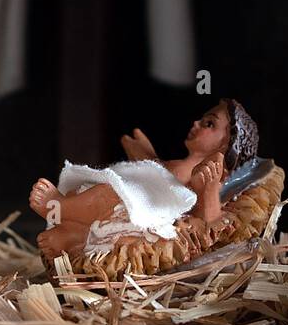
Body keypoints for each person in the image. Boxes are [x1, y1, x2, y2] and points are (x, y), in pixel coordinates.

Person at [30, 98, 265, 267]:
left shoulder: (207, 175)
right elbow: (159, 176)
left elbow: (206, 224)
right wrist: (146, 155)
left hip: (150, 212)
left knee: (110, 194)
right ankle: (73, 234)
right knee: (94, 191)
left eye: (209, 124)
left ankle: (61, 210)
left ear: (225, 146)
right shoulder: (183, 163)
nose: (196, 123)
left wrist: (209, 191)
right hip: (143, 197)